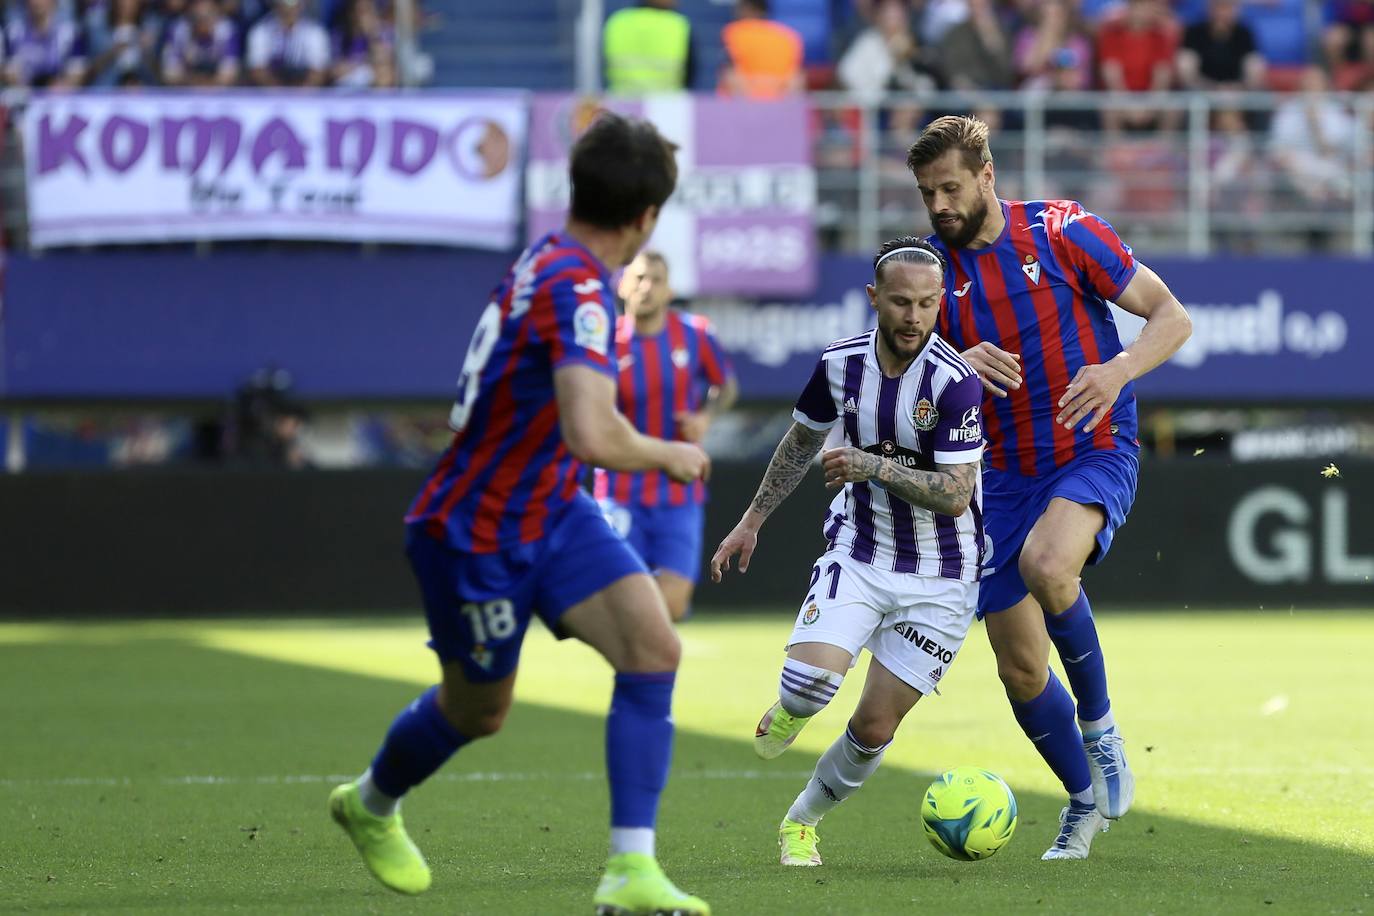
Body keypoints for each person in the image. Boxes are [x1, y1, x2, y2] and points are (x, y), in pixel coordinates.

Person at [327, 112, 711, 916]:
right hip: (477, 531)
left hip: (553, 510)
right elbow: (592, 431)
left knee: (653, 648)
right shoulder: (579, 287)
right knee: (480, 710)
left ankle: (630, 871)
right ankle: (369, 802)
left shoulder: (556, 258)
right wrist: (668, 453)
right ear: (645, 219)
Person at [905, 115, 1192, 859]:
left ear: (987, 177)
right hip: (1001, 475)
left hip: (1092, 446)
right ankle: (1082, 801)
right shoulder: (929, 278)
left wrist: (1119, 369)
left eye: (951, 187)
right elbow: (898, 388)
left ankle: (1101, 731)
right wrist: (955, 362)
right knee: (1018, 663)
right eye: (927, 192)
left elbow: (1172, 316)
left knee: (1048, 563)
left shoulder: (1064, 231)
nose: (939, 203)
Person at [710, 236, 988, 867]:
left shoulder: (955, 384)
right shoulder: (839, 365)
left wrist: (869, 464)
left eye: (926, 304)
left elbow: (953, 495)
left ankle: (800, 821)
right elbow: (799, 444)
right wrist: (752, 520)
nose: (914, 318)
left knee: (872, 730)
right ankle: (791, 710)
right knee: (809, 690)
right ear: (874, 299)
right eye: (900, 303)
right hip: (861, 552)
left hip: (943, 575)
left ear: (940, 301)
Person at [593, 251, 737, 622]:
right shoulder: (604, 341)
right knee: (625, 601)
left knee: (671, 606)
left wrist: (705, 417)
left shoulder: (695, 334)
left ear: (669, 289)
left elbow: (726, 386)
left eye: (656, 279)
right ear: (623, 285)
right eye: (639, 278)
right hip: (619, 490)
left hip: (678, 490)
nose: (646, 287)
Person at [602, 0, 694, 94]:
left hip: (619, 101)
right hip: (667, 103)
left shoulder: (617, 21)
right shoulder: (678, 24)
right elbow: (691, 72)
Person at [718, 0, 804, 99]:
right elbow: (794, 80)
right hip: (780, 103)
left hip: (744, 103)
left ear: (746, 9)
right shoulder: (788, 35)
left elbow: (732, 73)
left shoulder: (734, 32)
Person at [246, 0, 329, 87]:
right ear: (276, 5)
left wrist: (301, 94)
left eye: (294, 4)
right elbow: (257, 69)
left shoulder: (315, 32)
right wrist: (278, 92)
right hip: (270, 93)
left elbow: (319, 71)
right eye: (285, 4)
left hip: (304, 93)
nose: (289, 9)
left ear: (301, 5)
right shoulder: (261, 31)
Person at [161, 0, 241, 88]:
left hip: (218, 90)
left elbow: (230, 73)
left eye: (208, 16)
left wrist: (208, 85)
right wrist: (196, 83)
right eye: (198, 18)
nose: (203, 23)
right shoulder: (178, 30)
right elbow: (170, 74)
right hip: (186, 88)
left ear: (217, 15)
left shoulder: (227, 30)